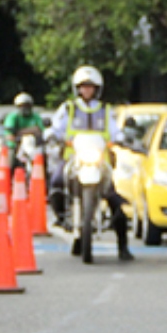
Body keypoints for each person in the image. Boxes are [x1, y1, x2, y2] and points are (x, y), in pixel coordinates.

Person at [45, 65, 133, 261]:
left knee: (114, 198)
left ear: (97, 88)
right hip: (73, 158)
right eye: (83, 86)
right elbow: (56, 128)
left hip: (99, 160)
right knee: (57, 182)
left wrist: (120, 138)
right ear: (77, 88)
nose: (87, 90)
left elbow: (115, 130)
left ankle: (123, 245)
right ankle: (60, 217)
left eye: (91, 86)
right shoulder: (68, 108)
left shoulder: (106, 110)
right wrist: (52, 135)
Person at [3, 92, 44, 172]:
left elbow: (40, 129)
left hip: (33, 143)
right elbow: (10, 131)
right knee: (10, 158)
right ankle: (10, 173)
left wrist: (20, 132)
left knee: (43, 155)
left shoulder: (35, 116)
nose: (25, 108)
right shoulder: (13, 116)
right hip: (15, 144)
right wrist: (31, 130)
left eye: (27, 105)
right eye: (22, 106)